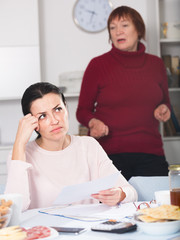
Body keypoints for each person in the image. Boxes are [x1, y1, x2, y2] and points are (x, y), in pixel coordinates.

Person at [4, 82, 137, 210]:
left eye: (58, 109)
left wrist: (120, 194)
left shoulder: (89, 146)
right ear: (31, 122)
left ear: (66, 108)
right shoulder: (20, 154)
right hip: (44, 231)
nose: (55, 120)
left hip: (88, 229)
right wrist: (20, 143)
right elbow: (16, 207)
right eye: (43, 116)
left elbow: (130, 192)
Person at [76, 6, 171, 180]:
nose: (118, 31)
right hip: (108, 156)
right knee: (112, 206)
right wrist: (92, 122)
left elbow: (165, 102)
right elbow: (82, 110)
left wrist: (164, 109)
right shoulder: (97, 65)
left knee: (159, 205)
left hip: (151, 153)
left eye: (124, 25)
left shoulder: (156, 64)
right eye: (113, 27)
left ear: (139, 29)